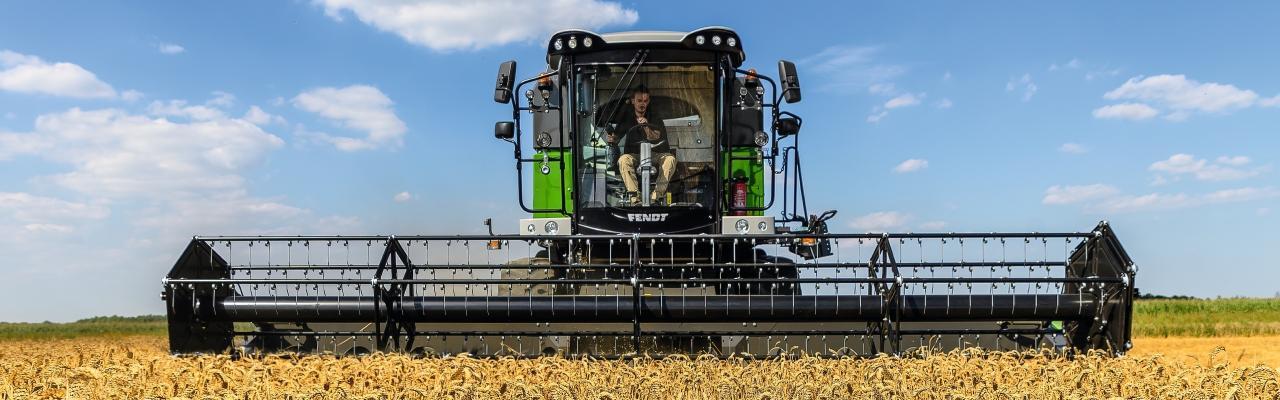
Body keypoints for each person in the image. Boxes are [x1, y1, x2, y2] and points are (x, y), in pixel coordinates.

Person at [607, 85, 677, 205]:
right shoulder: (627, 118)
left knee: (670, 159)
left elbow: (655, 137)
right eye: (639, 101)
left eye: (645, 101)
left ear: (648, 101)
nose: (642, 104)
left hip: (656, 154)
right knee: (623, 160)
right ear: (633, 101)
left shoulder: (655, 117)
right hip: (635, 155)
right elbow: (617, 138)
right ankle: (635, 199)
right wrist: (612, 138)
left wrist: (646, 126)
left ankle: (656, 198)